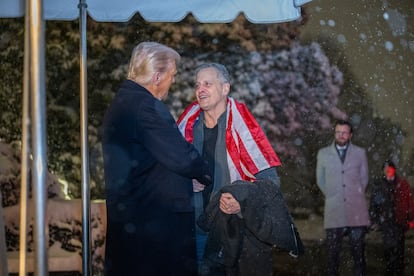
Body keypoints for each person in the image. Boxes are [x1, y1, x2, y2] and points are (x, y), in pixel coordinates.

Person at [178, 63, 302, 276]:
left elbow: (271, 182)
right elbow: (167, 172)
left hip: (232, 231)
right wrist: (181, 182)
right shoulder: (186, 126)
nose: (200, 89)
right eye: (197, 84)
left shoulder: (244, 128)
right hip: (193, 231)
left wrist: (241, 202)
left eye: (208, 83)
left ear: (225, 88)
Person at [101, 42, 212, 276]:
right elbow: (182, 157)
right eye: (172, 75)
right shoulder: (146, 107)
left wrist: (180, 179)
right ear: (158, 76)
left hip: (134, 219)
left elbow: (148, 158)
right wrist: (204, 172)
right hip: (153, 226)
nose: (173, 81)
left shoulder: (124, 101)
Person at [316, 120, 370, 276]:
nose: (341, 135)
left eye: (345, 132)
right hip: (334, 211)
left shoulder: (360, 153)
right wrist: (334, 195)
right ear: (334, 133)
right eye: (338, 132)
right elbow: (321, 180)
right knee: (332, 257)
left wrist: (352, 193)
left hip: (356, 211)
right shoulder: (323, 153)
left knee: (358, 256)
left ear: (350, 135)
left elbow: (364, 179)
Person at [369, 160, 414, 276]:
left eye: (390, 168)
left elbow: (409, 203)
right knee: (389, 253)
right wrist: (374, 221)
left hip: (400, 223)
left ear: (394, 170)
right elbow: (374, 205)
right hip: (386, 224)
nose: (388, 171)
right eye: (385, 169)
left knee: (399, 254)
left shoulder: (402, 184)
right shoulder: (379, 186)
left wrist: (411, 220)